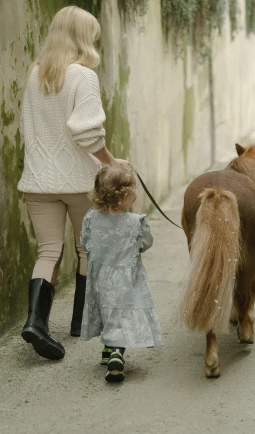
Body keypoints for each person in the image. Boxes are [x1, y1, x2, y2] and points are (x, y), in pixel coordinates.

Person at [18, 6, 127, 361]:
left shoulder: (34, 75)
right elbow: (86, 132)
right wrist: (113, 163)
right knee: (85, 249)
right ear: (82, 37)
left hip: (37, 181)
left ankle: (36, 323)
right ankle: (80, 321)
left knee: (48, 252)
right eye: (92, 35)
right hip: (79, 181)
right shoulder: (83, 76)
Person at [79, 163, 163, 383]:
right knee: (122, 313)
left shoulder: (90, 218)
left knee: (108, 311)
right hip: (127, 278)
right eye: (133, 190)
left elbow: (85, 242)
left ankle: (107, 350)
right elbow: (146, 243)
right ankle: (117, 353)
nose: (136, 193)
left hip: (99, 277)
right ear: (122, 196)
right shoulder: (135, 223)